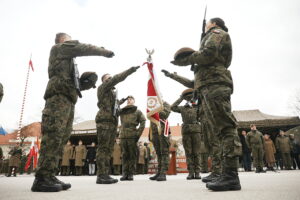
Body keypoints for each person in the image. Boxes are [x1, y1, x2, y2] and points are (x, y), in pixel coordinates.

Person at [31, 32, 114, 192]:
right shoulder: (59, 48)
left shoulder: (67, 61)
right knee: (53, 136)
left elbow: (71, 84)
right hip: (58, 99)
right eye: (69, 39)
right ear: (63, 40)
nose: (72, 42)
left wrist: (84, 84)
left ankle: (50, 175)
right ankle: (41, 178)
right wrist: (103, 51)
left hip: (68, 100)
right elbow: (80, 47)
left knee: (61, 138)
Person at [170, 18, 242, 191]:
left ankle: (231, 175)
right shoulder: (211, 35)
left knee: (226, 127)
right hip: (209, 85)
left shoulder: (216, 33)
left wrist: (187, 59)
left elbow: (208, 53)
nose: (206, 26)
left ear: (214, 24)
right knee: (220, 130)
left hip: (215, 84)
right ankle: (225, 173)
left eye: (207, 23)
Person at [95, 67, 140, 184]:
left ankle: (105, 173)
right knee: (103, 148)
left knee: (108, 149)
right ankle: (101, 175)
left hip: (111, 122)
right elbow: (116, 78)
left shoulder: (111, 93)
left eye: (111, 77)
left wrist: (121, 101)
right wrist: (130, 70)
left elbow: (113, 106)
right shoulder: (103, 88)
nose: (110, 79)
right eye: (108, 78)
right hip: (104, 121)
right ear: (104, 81)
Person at [171, 89, 201, 180]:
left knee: (196, 152)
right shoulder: (182, 108)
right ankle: (191, 172)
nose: (189, 99)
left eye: (190, 97)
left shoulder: (197, 107)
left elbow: (204, 106)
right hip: (186, 131)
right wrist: (181, 98)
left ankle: (197, 172)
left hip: (196, 131)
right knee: (188, 153)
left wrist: (196, 97)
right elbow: (172, 107)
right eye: (187, 98)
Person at [119, 96, 146, 180]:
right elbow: (114, 108)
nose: (129, 100)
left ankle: (130, 173)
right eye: (128, 99)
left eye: (131, 99)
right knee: (124, 155)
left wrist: (138, 133)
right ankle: (124, 173)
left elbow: (143, 121)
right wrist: (121, 102)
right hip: (123, 135)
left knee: (132, 155)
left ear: (134, 101)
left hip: (132, 135)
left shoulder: (137, 111)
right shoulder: (122, 111)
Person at [149, 101, 171, 181]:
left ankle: (163, 173)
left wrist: (156, 109)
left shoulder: (165, 104)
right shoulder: (152, 105)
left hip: (162, 131)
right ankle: (159, 172)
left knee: (164, 152)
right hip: (154, 131)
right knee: (158, 153)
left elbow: (165, 115)